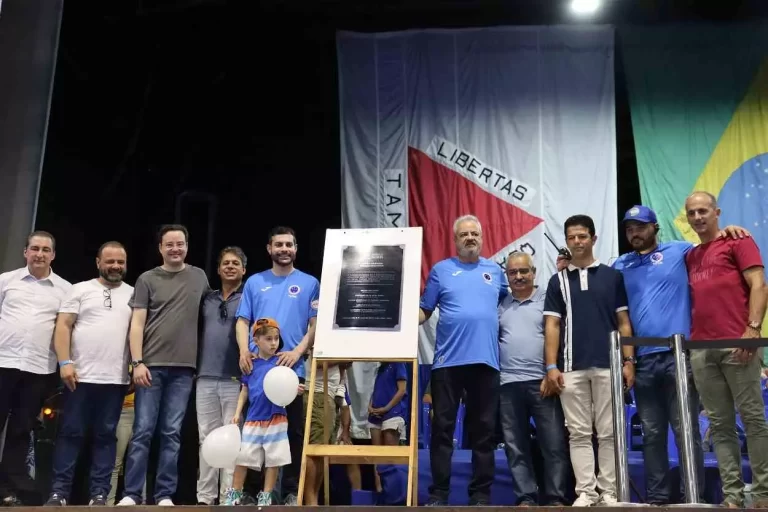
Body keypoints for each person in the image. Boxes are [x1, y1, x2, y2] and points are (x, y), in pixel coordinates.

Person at [612, 204, 749, 505]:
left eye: (640, 226)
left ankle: (692, 497)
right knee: (651, 433)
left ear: (655, 227)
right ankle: (659, 499)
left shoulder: (680, 251)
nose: (634, 233)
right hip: (643, 360)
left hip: (680, 357)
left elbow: (710, 248)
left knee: (685, 430)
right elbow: (598, 290)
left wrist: (728, 232)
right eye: (629, 228)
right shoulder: (620, 265)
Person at [684, 191, 768, 509]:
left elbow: (759, 285)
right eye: (691, 213)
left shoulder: (739, 242)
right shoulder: (690, 256)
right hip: (702, 350)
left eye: (703, 211)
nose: (697, 217)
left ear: (716, 212)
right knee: (719, 425)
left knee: (753, 419)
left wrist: (753, 331)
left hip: (739, 344)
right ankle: (732, 496)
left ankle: (762, 494)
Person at [543, 214, 633, 507]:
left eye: (582, 236)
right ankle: (585, 492)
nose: (577, 242)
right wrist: (551, 366)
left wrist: (628, 361)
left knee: (608, 432)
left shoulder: (613, 276)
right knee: (578, 433)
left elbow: (623, 322)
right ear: (566, 242)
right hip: (570, 368)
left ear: (593, 239)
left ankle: (609, 492)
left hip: (609, 363)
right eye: (572, 237)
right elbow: (552, 326)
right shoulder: (557, 281)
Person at [118, 224, 210, 506]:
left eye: (180, 243)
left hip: (184, 370)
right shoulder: (147, 279)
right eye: (169, 244)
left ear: (186, 246)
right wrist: (137, 362)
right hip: (151, 367)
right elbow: (137, 323)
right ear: (160, 248)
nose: (175, 249)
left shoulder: (199, 277)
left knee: (171, 433)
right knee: (143, 430)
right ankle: (132, 493)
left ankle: (164, 494)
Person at [419, 214, 507, 506]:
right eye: (464, 234)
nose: (470, 238)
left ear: (481, 238)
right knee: (442, 431)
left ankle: (481, 496)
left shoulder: (495, 271)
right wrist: (398, 321)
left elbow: (508, 305)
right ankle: (439, 495)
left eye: (475, 234)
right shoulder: (441, 270)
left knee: (483, 434)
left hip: (486, 363)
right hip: (447, 363)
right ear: (455, 240)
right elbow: (424, 311)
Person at [235, 226, 319, 506]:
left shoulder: (309, 283)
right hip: (258, 372)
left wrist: (297, 351)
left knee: (293, 433)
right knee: (255, 431)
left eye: (289, 245)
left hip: (291, 371)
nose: (284, 249)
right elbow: (243, 321)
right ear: (269, 249)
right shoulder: (254, 282)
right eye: (278, 244)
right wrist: (244, 349)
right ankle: (252, 491)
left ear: (296, 249)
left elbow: (314, 324)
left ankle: (291, 490)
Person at [44, 242, 133, 506]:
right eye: (110, 261)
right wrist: (65, 362)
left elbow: (139, 333)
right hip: (79, 377)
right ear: (98, 262)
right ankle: (59, 493)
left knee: (106, 437)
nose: (115, 266)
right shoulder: (80, 289)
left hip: (116, 380)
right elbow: (63, 326)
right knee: (71, 434)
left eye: (120, 262)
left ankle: (99, 495)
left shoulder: (134, 293)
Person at [0, 231, 71, 506]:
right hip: (3, 362)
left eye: (45, 250)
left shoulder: (65, 289)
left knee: (20, 430)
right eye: (34, 248)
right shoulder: (6, 281)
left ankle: (8, 489)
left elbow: (66, 329)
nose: (39, 254)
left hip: (38, 369)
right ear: (25, 252)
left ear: (53, 255)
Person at [498, 251, 568, 506]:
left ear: (533, 272)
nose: (519, 276)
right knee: (515, 447)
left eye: (523, 271)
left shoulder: (546, 299)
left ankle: (556, 498)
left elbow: (560, 336)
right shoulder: (501, 304)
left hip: (543, 383)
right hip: (507, 385)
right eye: (513, 272)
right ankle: (526, 498)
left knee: (553, 445)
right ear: (507, 275)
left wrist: (551, 370)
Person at [196, 246, 247, 506]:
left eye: (235, 263)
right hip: (204, 376)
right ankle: (205, 497)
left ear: (243, 270)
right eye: (225, 262)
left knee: (231, 438)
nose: (229, 266)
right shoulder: (206, 298)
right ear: (218, 269)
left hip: (234, 379)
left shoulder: (248, 298)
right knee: (205, 437)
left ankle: (230, 497)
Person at [225, 318, 292, 507]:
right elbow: (245, 390)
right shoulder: (251, 364)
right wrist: (238, 412)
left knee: (274, 458)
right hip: (254, 417)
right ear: (256, 341)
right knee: (244, 455)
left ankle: (266, 494)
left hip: (276, 417)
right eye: (269, 339)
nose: (273, 343)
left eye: (276, 339)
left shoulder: (281, 362)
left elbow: (288, 384)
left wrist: (295, 389)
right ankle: (234, 492)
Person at [368, 362, 408, 492]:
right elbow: (376, 390)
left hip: (393, 413)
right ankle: (380, 492)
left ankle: (392, 493)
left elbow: (402, 390)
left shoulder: (398, 364)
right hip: (375, 415)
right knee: (377, 456)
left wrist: (386, 408)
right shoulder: (379, 368)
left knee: (390, 457)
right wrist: (370, 404)